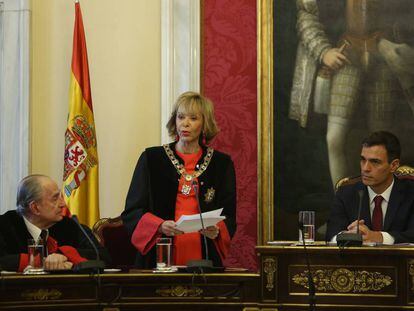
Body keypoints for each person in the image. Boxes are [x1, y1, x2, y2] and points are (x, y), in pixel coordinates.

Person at [289, 0, 414, 186]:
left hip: (384, 60)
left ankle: (381, 205)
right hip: (346, 56)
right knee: (334, 138)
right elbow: (308, 16)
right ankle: (343, 204)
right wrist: (324, 52)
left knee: (382, 142)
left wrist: (391, 44)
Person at [122, 91, 236, 268]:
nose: (185, 124)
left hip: (204, 255)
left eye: (193, 118)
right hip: (159, 254)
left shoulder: (221, 164)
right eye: (181, 117)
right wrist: (159, 226)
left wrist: (217, 230)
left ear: (205, 123)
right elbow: (132, 211)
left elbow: (229, 214)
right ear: (174, 121)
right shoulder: (152, 159)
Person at [0, 174, 110, 271]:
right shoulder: (5, 226)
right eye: (55, 198)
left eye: (61, 196)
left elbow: (103, 256)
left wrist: (64, 255)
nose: (63, 204)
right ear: (35, 207)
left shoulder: (70, 225)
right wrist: (42, 262)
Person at [326, 131, 414, 244]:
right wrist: (347, 236)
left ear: (393, 165)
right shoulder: (346, 193)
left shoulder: (411, 193)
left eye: (375, 162)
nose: (365, 168)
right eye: (363, 160)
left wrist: (379, 237)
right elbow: (331, 236)